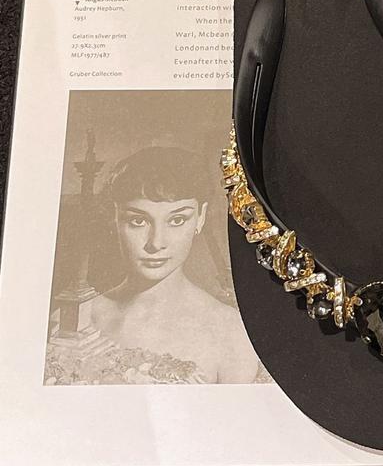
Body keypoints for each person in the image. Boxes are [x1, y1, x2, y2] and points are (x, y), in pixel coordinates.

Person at [85, 146, 261, 384]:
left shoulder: (231, 332)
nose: (156, 243)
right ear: (114, 218)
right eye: (138, 221)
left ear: (200, 217)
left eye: (177, 220)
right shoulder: (81, 316)